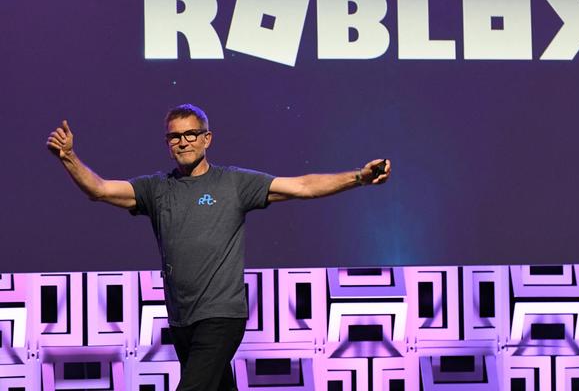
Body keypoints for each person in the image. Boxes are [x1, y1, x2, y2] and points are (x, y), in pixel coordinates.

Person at [46, 103, 391, 391]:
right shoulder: (156, 188)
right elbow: (102, 190)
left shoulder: (234, 183)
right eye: (175, 137)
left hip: (222, 315)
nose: (183, 142)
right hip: (182, 320)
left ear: (207, 138)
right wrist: (69, 157)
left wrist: (358, 177)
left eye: (191, 134)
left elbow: (302, 186)